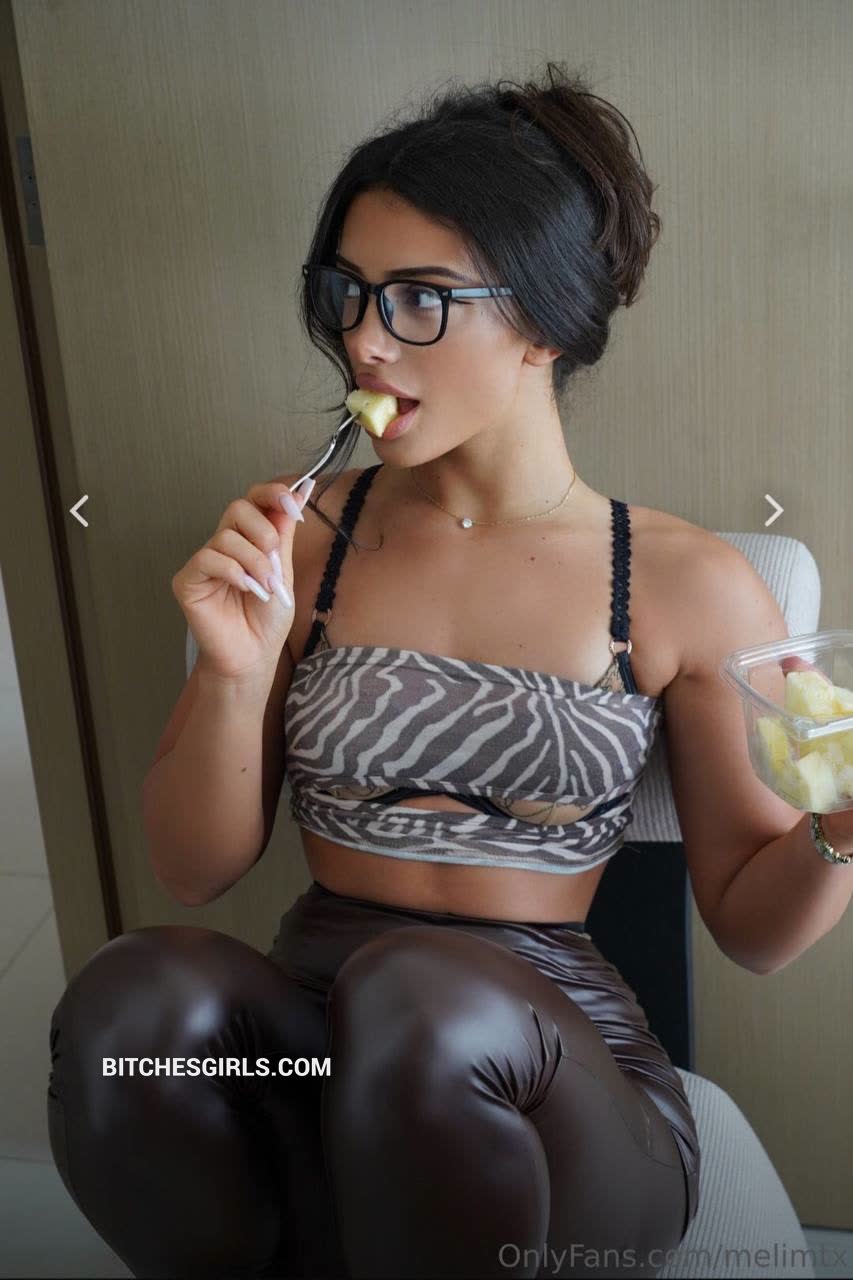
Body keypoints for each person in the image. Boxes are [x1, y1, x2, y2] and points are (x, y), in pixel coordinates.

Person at [48, 63, 702, 1278]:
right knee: (131, 1011)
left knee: (423, 1000)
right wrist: (236, 667)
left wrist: (836, 830)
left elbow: (758, 928)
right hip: (312, 1051)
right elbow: (193, 870)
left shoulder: (677, 577)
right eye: (347, 293)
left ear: (544, 322)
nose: (360, 338)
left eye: (418, 299)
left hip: (553, 1098)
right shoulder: (301, 540)